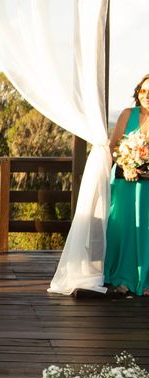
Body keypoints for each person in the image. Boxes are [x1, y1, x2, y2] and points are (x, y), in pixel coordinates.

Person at [104, 73, 149, 296]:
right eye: (143, 91)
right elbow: (113, 147)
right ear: (137, 93)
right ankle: (122, 276)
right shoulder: (126, 115)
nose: (146, 96)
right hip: (125, 184)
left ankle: (145, 280)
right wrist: (128, 163)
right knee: (123, 229)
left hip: (147, 187)